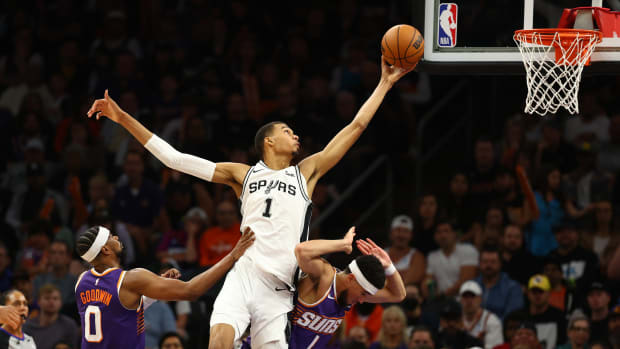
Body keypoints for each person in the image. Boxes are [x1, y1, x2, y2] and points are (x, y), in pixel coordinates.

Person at [87, 56, 413, 349]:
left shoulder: (306, 172)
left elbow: (355, 126)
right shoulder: (241, 174)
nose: (296, 136)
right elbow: (174, 159)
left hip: (281, 288)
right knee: (219, 339)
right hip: (245, 273)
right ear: (269, 140)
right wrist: (123, 118)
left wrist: (385, 84)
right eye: (288, 131)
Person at [74, 225, 254, 348]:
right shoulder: (132, 279)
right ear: (106, 250)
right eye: (110, 237)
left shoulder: (82, 281)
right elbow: (191, 291)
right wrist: (233, 256)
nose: (116, 237)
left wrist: (155, 287)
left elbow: (120, 308)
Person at [289, 227, 406, 348]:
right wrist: (343, 244)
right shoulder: (325, 277)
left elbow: (398, 295)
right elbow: (301, 250)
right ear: (351, 279)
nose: (362, 301)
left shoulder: (350, 294)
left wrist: (389, 267)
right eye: (363, 293)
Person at [23, 284, 79, 349]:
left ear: (61, 302)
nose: (51, 302)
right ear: (38, 302)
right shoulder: (27, 326)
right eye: (47, 298)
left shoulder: (69, 325)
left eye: (55, 298)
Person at [459, 281, 503, 349]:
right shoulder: (454, 319)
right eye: (465, 297)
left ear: (480, 299)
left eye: (472, 296)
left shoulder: (492, 321)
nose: (468, 301)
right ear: (460, 299)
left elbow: (496, 347)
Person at [385, 215, 425, 285]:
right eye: (398, 230)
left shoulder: (417, 256)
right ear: (391, 233)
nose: (401, 235)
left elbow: (412, 279)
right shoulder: (380, 253)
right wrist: (404, 272)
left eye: (406, 231)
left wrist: (385, 274)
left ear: (411, 235)